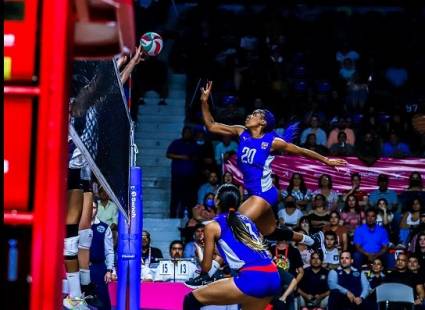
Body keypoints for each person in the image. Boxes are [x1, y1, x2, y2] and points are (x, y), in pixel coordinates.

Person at [199, 80, 347, 246]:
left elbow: (301, 150)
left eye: (255, 114)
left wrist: (327, 160)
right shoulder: (242, 132)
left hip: (264, 193)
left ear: (262, 122)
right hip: (254, 193)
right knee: (271, 232)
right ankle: (312, 240)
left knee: (236, 225)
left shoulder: (272, 142)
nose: (249, 115)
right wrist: (204, 102)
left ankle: (216, 267)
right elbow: (211, 125)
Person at [182, 184, 281, 309]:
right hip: (273, 275)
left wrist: (203, 249)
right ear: (238, 202)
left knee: (191, 299)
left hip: (253, 278)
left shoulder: (212, 226)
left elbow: (206, 268)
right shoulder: (247, 220)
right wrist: (213, 248)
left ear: (217, 201)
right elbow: (239, 251)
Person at [166, 126, 199, 218]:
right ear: (182, 133)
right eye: (186, 132)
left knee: (189, 198)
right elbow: (168, 154)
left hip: (190, 177)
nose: (187, 134)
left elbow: (197, 157)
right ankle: (172, 216)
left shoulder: (194, 145)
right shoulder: (176, 143)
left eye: (189, 132)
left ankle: (189, 217)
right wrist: (182, 157)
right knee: (175, 197)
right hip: (177, 176)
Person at [89, 201, 115, 310]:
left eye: (94, 207)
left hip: (98, 267)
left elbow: (109, 250)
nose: (91, 210)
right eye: (89, 207)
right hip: (80, 267)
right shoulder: (77, 225)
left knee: (102, 298)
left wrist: (109, 270)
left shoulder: (104, 227)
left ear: (97, 209)